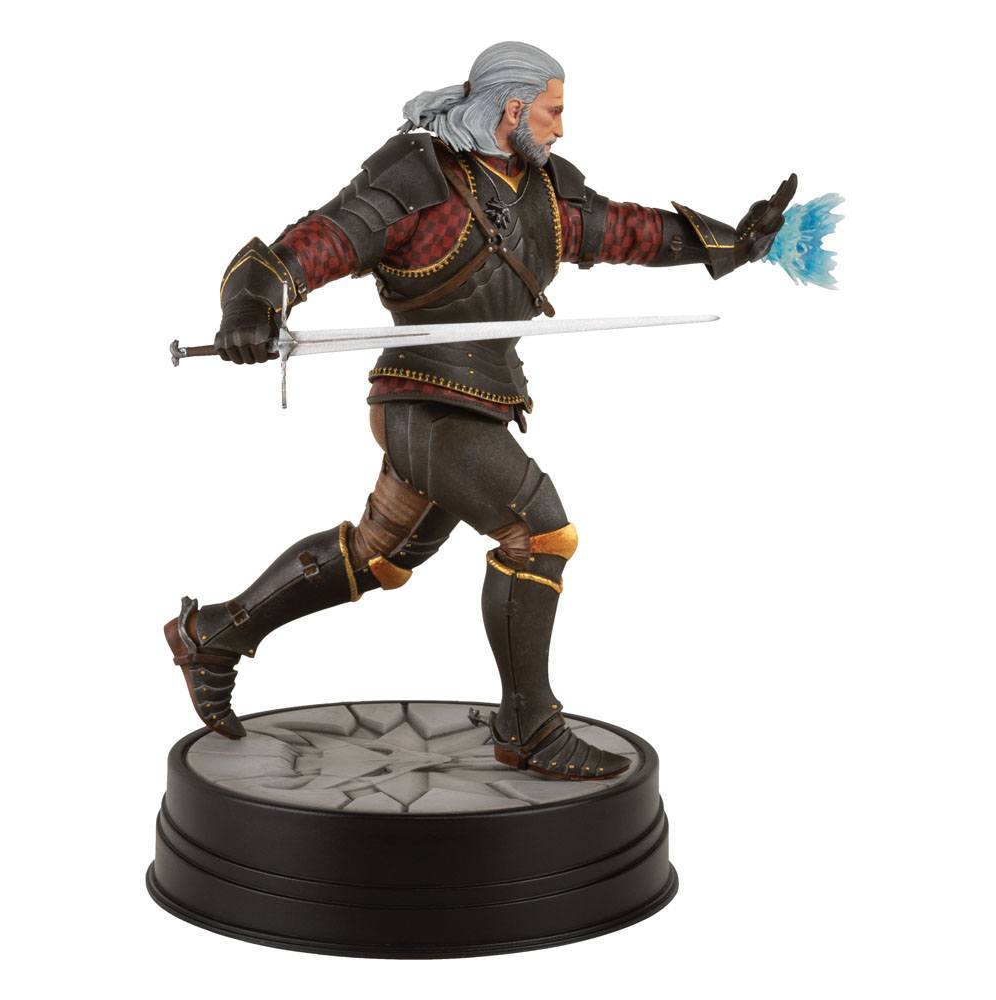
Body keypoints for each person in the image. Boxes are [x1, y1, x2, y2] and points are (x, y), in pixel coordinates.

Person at [165, 41, 793, 781]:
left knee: (379, 556)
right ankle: (530, 726)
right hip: (426, 405)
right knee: (539, 532)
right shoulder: (417, 177)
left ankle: (213, 633)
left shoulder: (543, 190)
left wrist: (732, 242)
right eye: (554, 111)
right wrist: (252, 308)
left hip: (477, 404)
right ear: (514, 108)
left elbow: (629, 231)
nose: (561, 127)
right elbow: (309, 248)